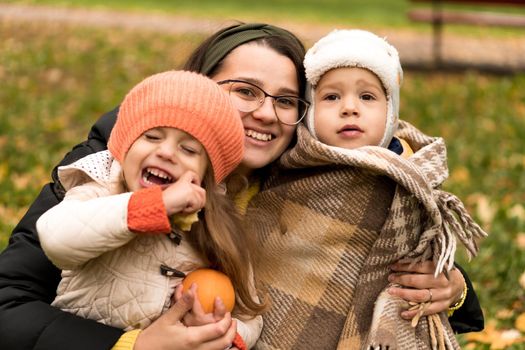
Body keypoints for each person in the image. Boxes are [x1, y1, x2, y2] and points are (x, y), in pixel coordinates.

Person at [0, 23, 482, 350]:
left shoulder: (313, 177)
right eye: (245, 92)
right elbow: (10, 304)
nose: (265, 113)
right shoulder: (123, 157)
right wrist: (133, 346)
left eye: (287, 100)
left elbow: (392, 265)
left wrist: (452, 290)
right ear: (195, 87)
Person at [246, 29, 487, 349]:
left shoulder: (409, 173)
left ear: (390, 112)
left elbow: (416, 255)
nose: (349, 108)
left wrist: (456, 288)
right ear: (311, 110)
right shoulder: (291, 167)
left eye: (367, 97)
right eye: (331, 97)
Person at [35, 70, 266, 350]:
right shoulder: (100, 191)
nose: (167, 152)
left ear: (205, 177)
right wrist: (151, 207)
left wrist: (218, 332)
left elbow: (249, 314)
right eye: (153, 136)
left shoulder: (216, 230)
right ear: (126, 146)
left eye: (189, 149)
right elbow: (56, 239)